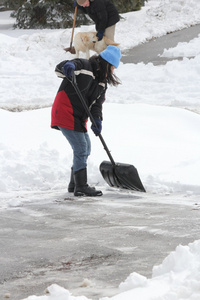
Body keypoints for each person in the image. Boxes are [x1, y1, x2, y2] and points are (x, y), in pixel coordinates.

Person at [51, 45, 121, 197]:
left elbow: (97, 104)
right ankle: (81, 186)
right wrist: (67, 66)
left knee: (85, 147)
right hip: (65, 110)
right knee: (81, 148)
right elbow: (60, 68)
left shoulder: (102, 83)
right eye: (113, 67)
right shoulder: (84, 66)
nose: (113, 71)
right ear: (107, 63)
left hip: (79, 116)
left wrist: (97, 119)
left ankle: (74, 184)